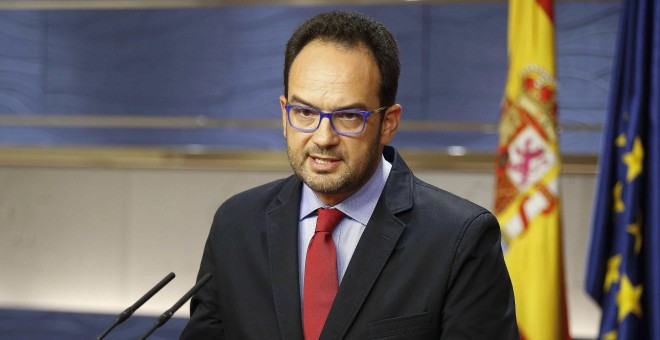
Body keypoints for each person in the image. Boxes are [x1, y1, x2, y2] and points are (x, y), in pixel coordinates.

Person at [181, 10, 518, 340]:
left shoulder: (459, 239)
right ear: (284, 115)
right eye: (304, 112)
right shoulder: (236, 224)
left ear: (389, 122)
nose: (323, 137)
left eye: (348, 117)